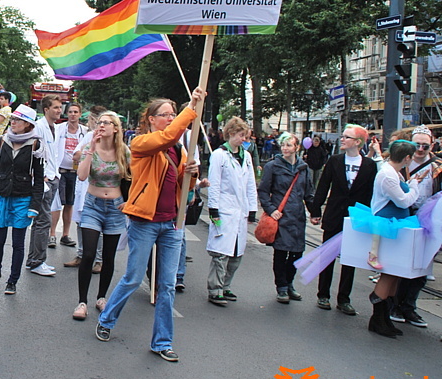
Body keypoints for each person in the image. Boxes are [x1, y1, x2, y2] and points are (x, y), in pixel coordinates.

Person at [95, 87, 206, 363]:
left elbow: (182, 186)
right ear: (151, 119)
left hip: (171, 224)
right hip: (144, 222)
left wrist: (191, 176)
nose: (170, 118)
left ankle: (162, 342)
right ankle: (107, 320)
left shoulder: (178, 150)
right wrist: (190, 109)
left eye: (172, 114)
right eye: (165, 114)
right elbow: (168, 136)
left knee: (167, 286)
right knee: (133, 277)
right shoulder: (142, 143)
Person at [350, 140, 427, 337]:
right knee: (389, 271)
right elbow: (403, 201)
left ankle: (383, 317)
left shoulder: (393, 172)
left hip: (394, 226)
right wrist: (415, 186)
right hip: (387, 227)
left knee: (395, 271)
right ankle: (378, 317)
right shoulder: (387, 175)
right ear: (407, 158)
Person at [308, 124, 377, 315]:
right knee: (327, 255)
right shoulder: (335, 161)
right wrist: (315, 211)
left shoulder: (369, 165)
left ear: (358, 142)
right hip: (334, 214)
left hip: (356, 218)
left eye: (347, 137)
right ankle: (323, 295)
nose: (342, 139)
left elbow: (371, 194)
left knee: (350, 259)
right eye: (343, 136)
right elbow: (323, 186)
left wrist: (369, 217)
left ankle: (344, 298)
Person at [73, 111, 130, 321]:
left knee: (108, 257)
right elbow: (81, 175)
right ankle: (82, 301)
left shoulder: (124, 151)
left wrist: (129, 201)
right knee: (88, 254)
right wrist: (91, 150)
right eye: (99, 123)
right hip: (93, 206)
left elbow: (131, 177)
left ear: (115, 128)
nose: (102, 125)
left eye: (107, 123)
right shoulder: (90, 148)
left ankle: (102, 297)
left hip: (115, 208)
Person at [0, 105, 44, 295]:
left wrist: (35, 205)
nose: (13, 122)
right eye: (13, 119)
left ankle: (13, 280)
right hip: (1, 196)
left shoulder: (35, 145)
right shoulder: (2, 141)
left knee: (18, 243)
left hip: (22, 199)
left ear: (27, 124)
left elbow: (39, 179)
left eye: (17, 120)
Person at [258, 133, 317, 303]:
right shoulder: (273, 166)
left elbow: (309, 194)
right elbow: (263, 191)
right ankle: (281, 286)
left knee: (297, 253)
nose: (285, 148)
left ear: (297, 147)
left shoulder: (303, 168)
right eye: (283, 145)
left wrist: (315, 213)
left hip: (297, 218)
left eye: (289, 145)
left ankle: (290, 283)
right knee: (281, 252)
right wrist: (271, 209)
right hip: (281, 217)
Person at [390, 126, 439, 327]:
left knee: (423, 265)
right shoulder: (402, 164)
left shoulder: (438, 166)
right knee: (401, 264)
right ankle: (394, 305)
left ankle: (409, 306)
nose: (420, 149)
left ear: (432, 145)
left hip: (431, 220)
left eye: (424, 145)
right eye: (416, 145)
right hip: (405, 216)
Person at [206, 117, 258, 306]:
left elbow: (251, 184)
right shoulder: (220, 155)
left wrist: (252, 208)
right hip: (223, 210)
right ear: (230, 134)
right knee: (220, 253)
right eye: (240, 135)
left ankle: (226, 286)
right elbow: (214, 184)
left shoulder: (247, 156)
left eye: (245, 135)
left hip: (240, 211)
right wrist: (213, 209)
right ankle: (215, 289)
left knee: (236, 253)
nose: (243, 139)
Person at [64, 106, 107, 271]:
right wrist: (83, 154)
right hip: (83, 184)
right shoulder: (89, 136)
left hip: (100, 187)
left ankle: (98, 259)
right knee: (81, 221)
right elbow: (77, 154)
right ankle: (81, 255)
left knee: (98, 225)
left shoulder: (111, 139)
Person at [26, 95, 63, 275]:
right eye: (55, 107)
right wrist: (39, 177)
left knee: (40, 221)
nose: (59, 110)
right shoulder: (38, 127)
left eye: (60, 107)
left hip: (52, 177)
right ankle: (37, 261)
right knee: (43, 221)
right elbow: (32, 153)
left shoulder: (54, 127)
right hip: (43, 181)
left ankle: (33, 259)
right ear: (46, 109)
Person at [52, 102, 85, 248]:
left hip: (75, 172)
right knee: (56, 203)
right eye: (70, 112)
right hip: (60, 171)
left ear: (79, 114)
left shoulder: (85, 131)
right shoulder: (59, 129)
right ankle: (52, 234)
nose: (73, 114)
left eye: (75, 112)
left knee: (70, 204)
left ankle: (65, 235)